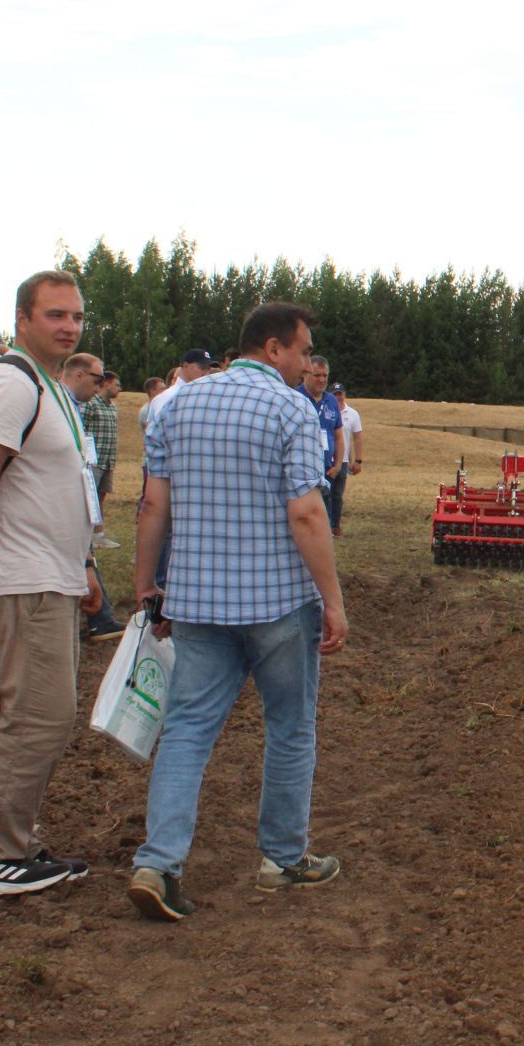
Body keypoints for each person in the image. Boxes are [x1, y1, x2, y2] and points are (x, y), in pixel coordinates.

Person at [127, 302, 349, 922]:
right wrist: (332, 600)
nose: (308, 363)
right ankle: (283, 859)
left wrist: (147, 585)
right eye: (304, 351)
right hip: (277, 602)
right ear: (274, 348)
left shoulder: (177, 407)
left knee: (189, 729)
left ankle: (158, 862)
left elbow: (153, 506)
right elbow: (307, 513)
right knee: (290, 726)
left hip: (197, 600)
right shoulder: (291, 410)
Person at [0, 272, 105, 898]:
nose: (68, 326)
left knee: (19, 715)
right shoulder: (12, 384)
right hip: (20, 581)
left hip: (48, 578)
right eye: (55, 315)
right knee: (39, 716)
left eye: (76, 316)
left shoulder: (50, 388)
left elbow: (59, 488)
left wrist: (83, 565)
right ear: (21, 318)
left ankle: (11, 840)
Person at [61, 354, 126, 643]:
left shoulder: (72, 406)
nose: (101, 386)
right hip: (65, 499)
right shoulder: (64, 408)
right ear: (78, 375)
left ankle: (97, 617)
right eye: (97, 379)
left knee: (84, 550)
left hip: (81, 484)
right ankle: (100, 618)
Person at [298, 356, 344, 533]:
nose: (322, 380)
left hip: (327, 470)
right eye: (317, 375)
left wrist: (338, 464)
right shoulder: (295, 397)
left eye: (325, 375)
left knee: (324, 520)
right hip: (303, 470)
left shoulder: (332, 401)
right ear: (306, 374)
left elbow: (339, 436)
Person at [81, 369, 121, 547]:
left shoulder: (112, 406)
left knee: (100, 498)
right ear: (106, 383)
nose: (119, 388)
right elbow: (82, 429)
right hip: (93, 461)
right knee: (88, 499)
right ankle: (83, 536)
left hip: (108, 460)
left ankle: (99, 536)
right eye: (117, 385)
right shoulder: (91, 403)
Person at [335, 382, 363, 485]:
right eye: (335, 394)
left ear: (344, 395)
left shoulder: (353, 414)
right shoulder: (324, 411)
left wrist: (357, 461)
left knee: (337, 495)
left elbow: (357, 438)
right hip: (326, 459)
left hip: (343, 460)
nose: (337, 397)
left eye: (339, 394)